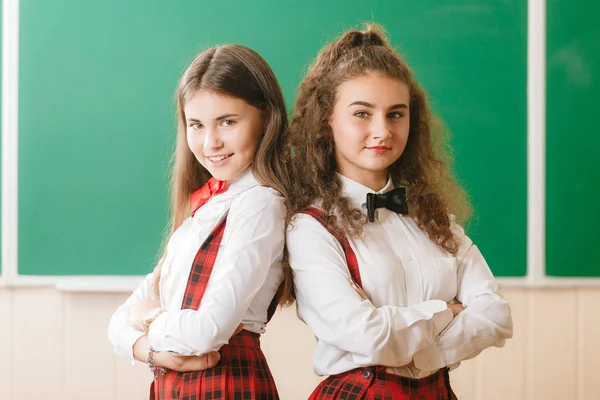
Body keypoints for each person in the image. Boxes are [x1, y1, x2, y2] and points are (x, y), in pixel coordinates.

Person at [285, 25, 513, 399]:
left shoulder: (432, 216)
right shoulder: (310, 228)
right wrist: (445, 311)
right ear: (327, 120)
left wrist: (417, 355)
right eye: (362, 113)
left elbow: (495, 315)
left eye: (395, 114)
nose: (382, 131)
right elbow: (367, 335)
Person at [108, 44, 290, 399]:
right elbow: (118, 321)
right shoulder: (204, 209)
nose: (211, 143)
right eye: (196, 125)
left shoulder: (260, 204)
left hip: (227, 385)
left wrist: (149, 321)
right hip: (177, 387)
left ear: (266, 118)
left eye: (228, 122)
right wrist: (153, 353)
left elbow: (207, 331)